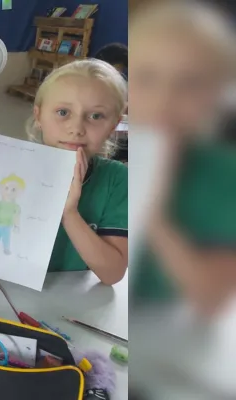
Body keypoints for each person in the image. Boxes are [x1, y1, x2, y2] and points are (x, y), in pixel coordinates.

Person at [0, 59, 129, 286]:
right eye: (63, 112)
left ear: (114, 125)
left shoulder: (116, 180)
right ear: (38, 116)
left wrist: (69, 213)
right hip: (8, 292)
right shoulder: (8, 171)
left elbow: (112, 274)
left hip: (70, 300)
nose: (76, 128)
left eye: (96, 116)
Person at [128, 0, 236, 316]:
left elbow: (210, 298)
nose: (165, 99)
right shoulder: (116, 161)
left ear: (219, 93)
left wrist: (153, 207)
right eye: (146, 78)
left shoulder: (224, 175)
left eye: (189, 83)